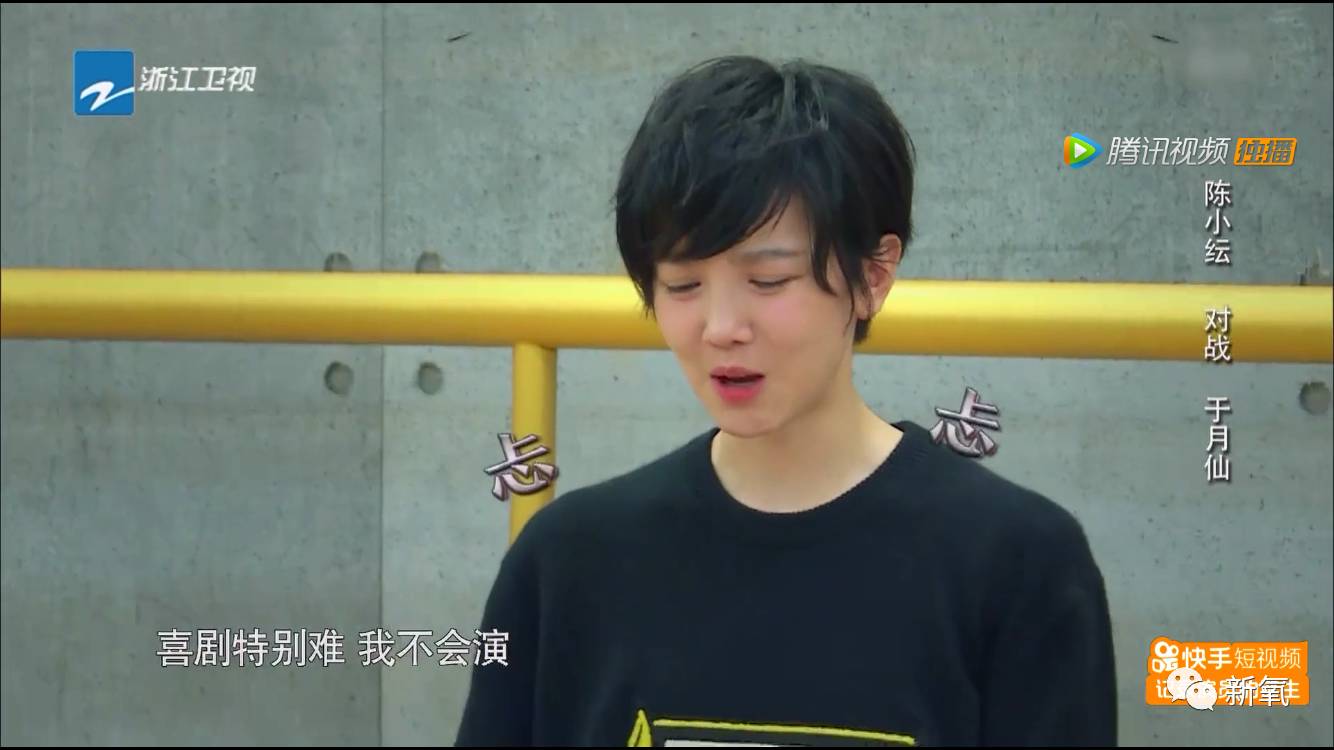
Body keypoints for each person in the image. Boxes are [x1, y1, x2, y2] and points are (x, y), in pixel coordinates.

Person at [455, 55, 1118, 747]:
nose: (721, 328)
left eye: (768, 281)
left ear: (873, 276)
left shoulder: (1017, 565)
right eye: (682, 286)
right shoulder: (569, 564)